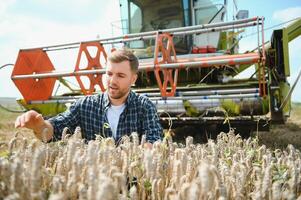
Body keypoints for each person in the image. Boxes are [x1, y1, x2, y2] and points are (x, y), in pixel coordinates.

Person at [15, 49, 163, 144]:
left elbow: (154, 143)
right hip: (95, 186)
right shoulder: (86, 105)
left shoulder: (144, 106)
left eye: (121, 75)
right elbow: (55, 130)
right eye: (109, 74)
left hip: (133, 185)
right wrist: (39, 126)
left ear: (133, 79)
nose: (112, 81)